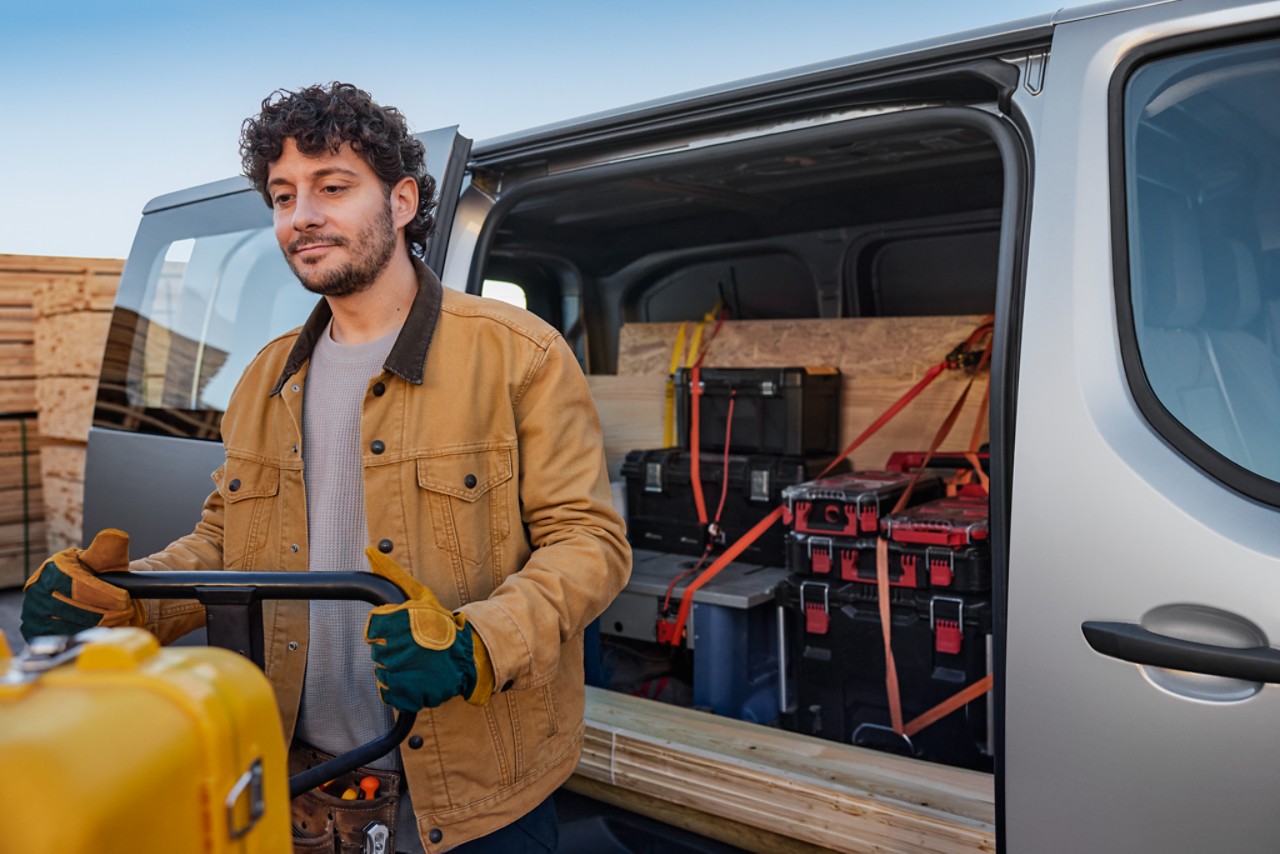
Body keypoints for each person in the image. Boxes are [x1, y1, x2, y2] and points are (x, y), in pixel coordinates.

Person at [20, 81, 632, 853]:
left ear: (402, 201)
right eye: (282, 196)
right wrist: (122, 606)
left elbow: (590, 545)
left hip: (471, 794)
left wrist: (479, 643)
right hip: (297, 783)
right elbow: (225, 540)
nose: (301, 216)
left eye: (332, 187)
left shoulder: (521, 356)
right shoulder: (266, 376)